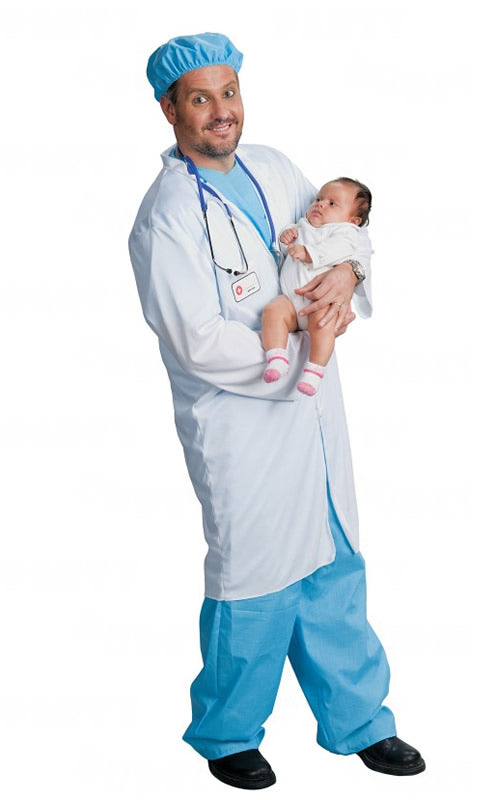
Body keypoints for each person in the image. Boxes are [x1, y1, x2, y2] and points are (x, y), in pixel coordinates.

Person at [128, 32, 425, 789]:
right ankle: (227, 733)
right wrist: (291, 353)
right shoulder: (165, 216)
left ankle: (361, 722)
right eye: (201, 98)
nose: (221, 111)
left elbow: (339, 235)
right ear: (170, 109)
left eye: (228, 93)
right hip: (243, 423)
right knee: (256, 580)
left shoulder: (276, 168)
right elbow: (195, 340)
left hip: (314, 410)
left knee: (333, 561)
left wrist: (349, 272)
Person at [262, 177, 373, 395]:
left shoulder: (345, 233)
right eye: (319, 199)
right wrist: (287, 239)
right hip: (291, 300)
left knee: (323, 326)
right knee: (273, 312)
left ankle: (315, 370)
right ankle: (276, 357)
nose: (320, 204)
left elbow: (339, 249)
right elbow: (288, 251)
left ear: (353, 220)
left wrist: (308, 253)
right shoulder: (304, 225)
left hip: (319, 301)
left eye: (332, 203)